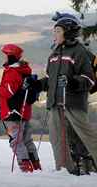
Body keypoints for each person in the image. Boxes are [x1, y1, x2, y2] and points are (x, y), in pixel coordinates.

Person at [27, 12, 97, 175]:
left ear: (69, 32)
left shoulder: (79, 51)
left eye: (58, 31)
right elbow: (50, 80)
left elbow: (89, 78)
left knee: (87, 136)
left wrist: (72, 81)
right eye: (54, 31)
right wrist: (36, 84)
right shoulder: (54, 54)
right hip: (54, 103)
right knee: (57, 139)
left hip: (72, 102)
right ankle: (65, 170)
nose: (55, 34)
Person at [0, 44, 41, 172]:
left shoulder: (12, 72)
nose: (4, 58)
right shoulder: (23, 70)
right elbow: (17, 93)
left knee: (15, 141)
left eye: (6, 55)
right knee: (26, 140)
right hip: (23, 111)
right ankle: (36, 167)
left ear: (11, 56)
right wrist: (1, 106)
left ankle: (26, 169)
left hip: (13, 113)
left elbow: (8, 92)